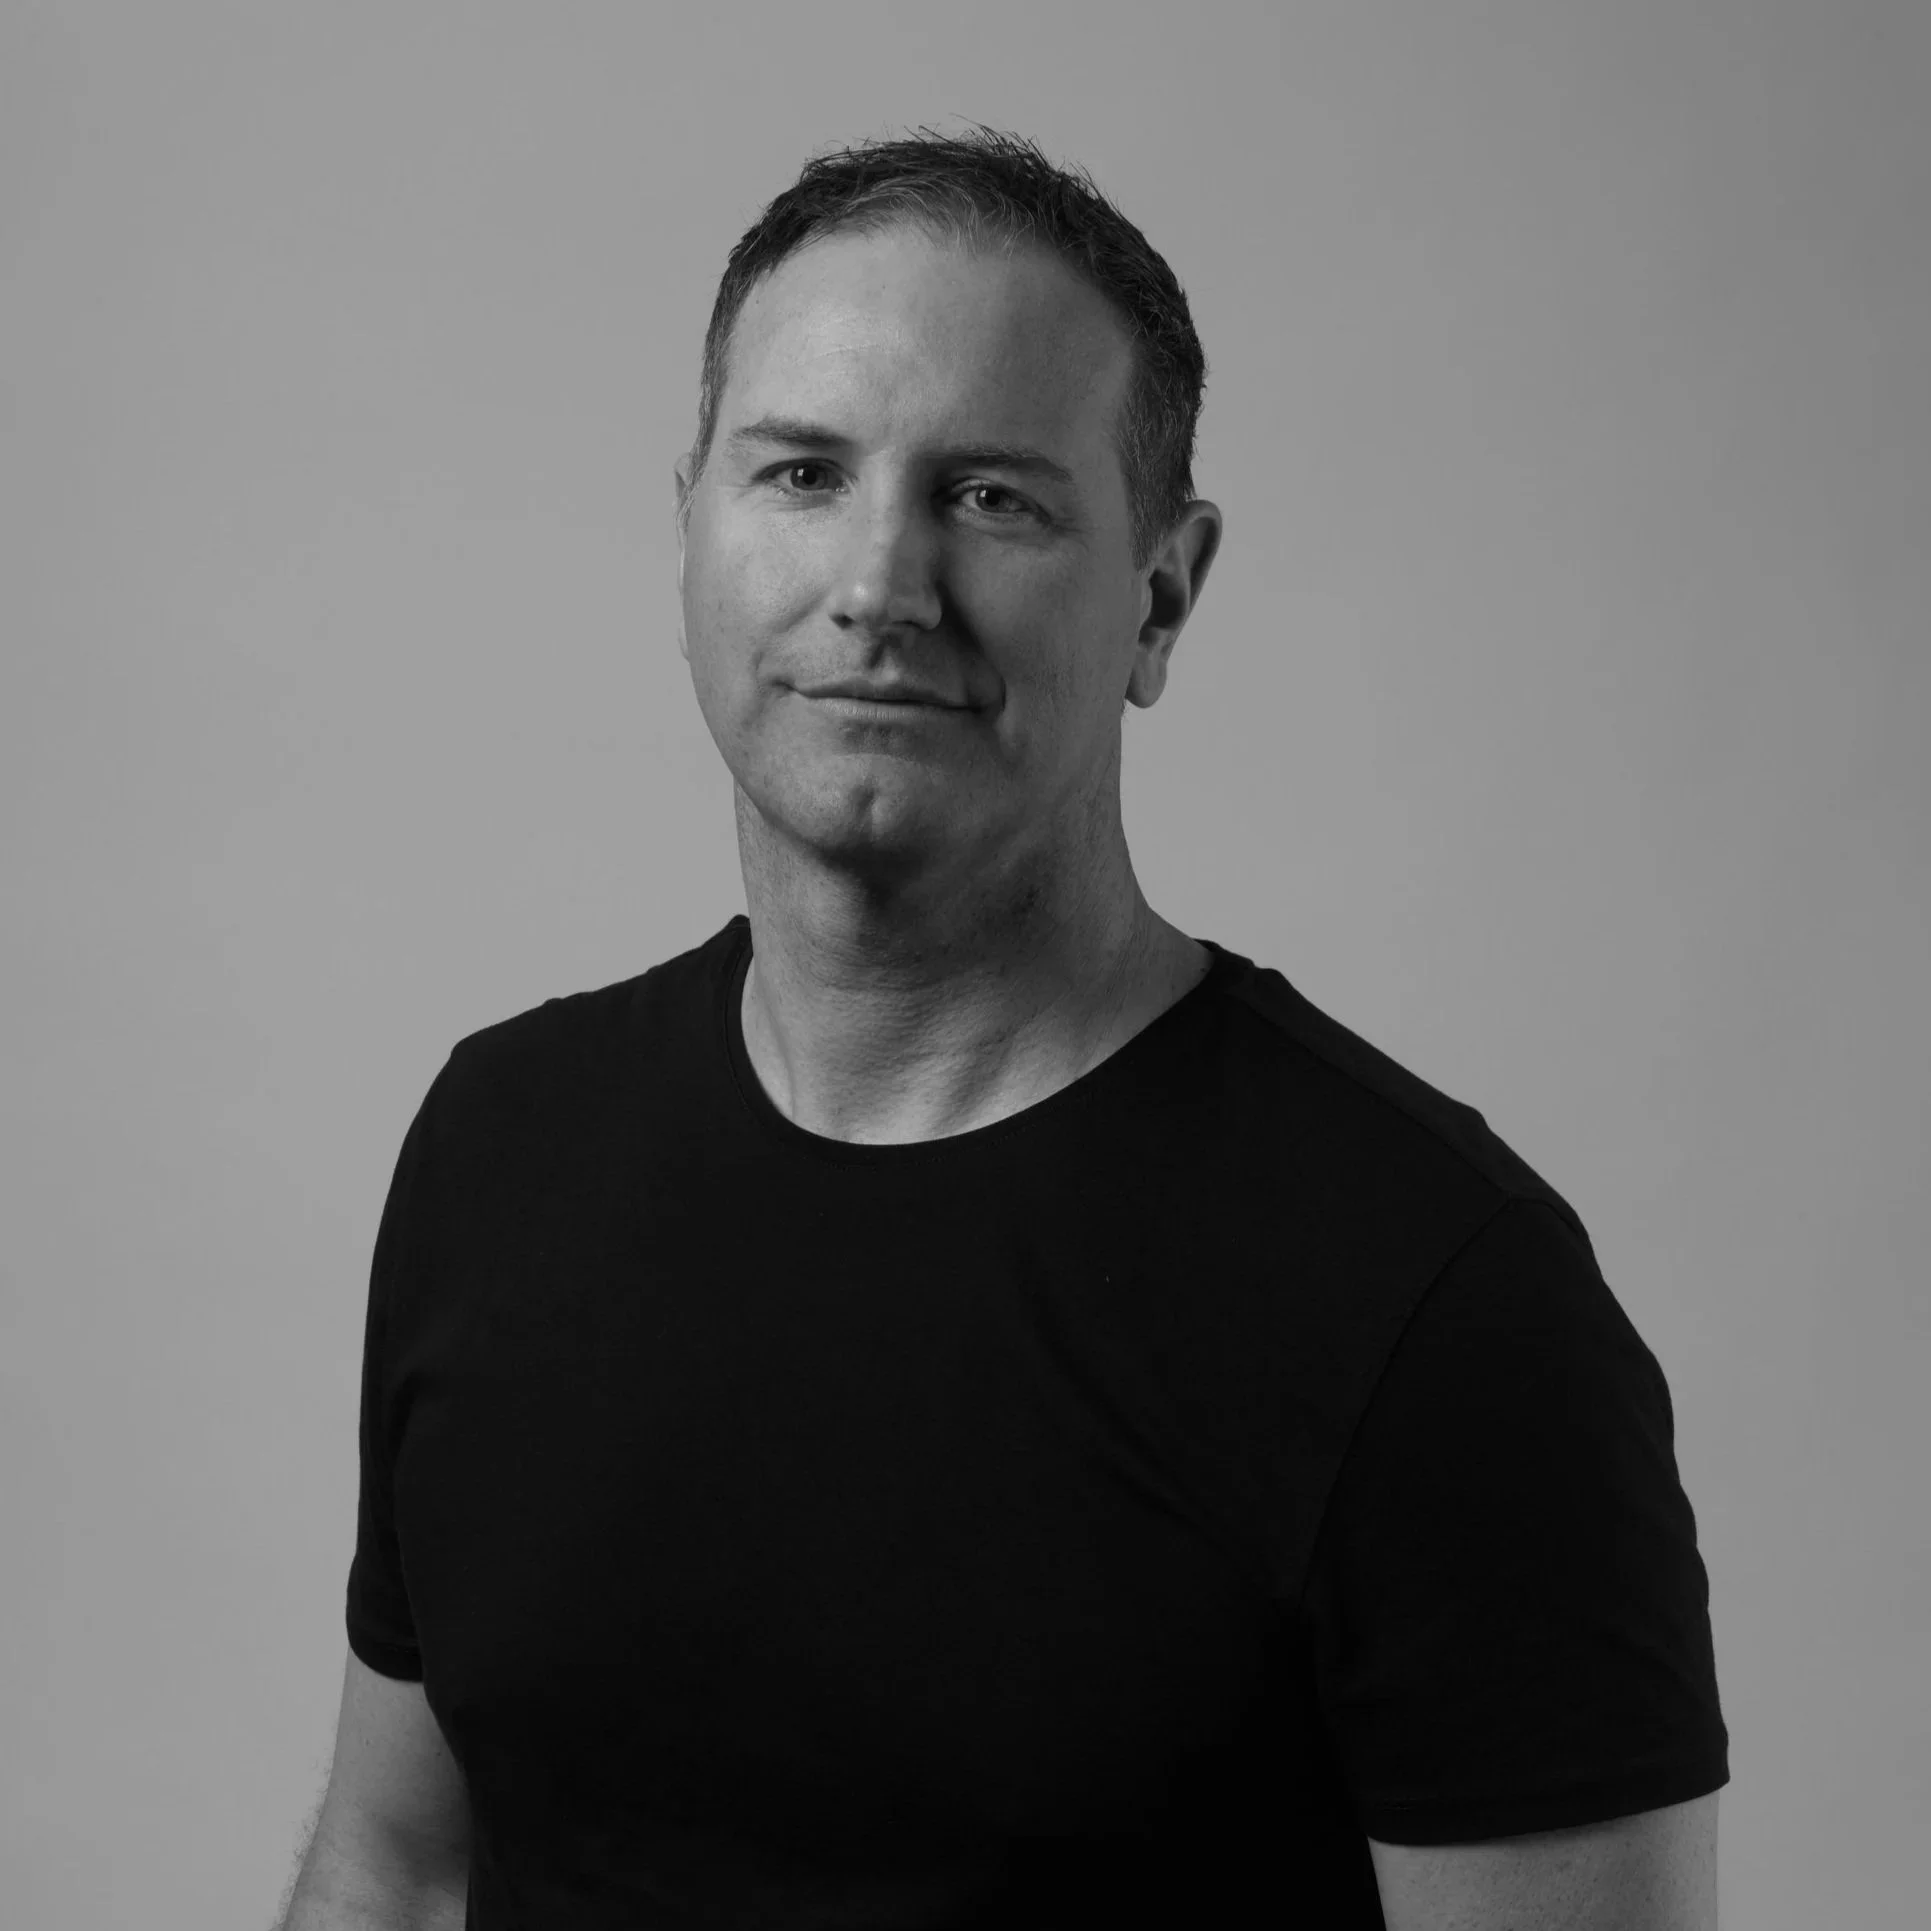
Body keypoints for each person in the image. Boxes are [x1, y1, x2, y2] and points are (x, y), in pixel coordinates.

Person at [279, 127, 1727, 1930]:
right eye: (799, 472)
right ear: (690, 527)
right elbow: (400, 1873)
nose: (878, 583)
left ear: (1163, 589)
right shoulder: (501, 1146)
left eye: (991, 497)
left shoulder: (1438, 1305)